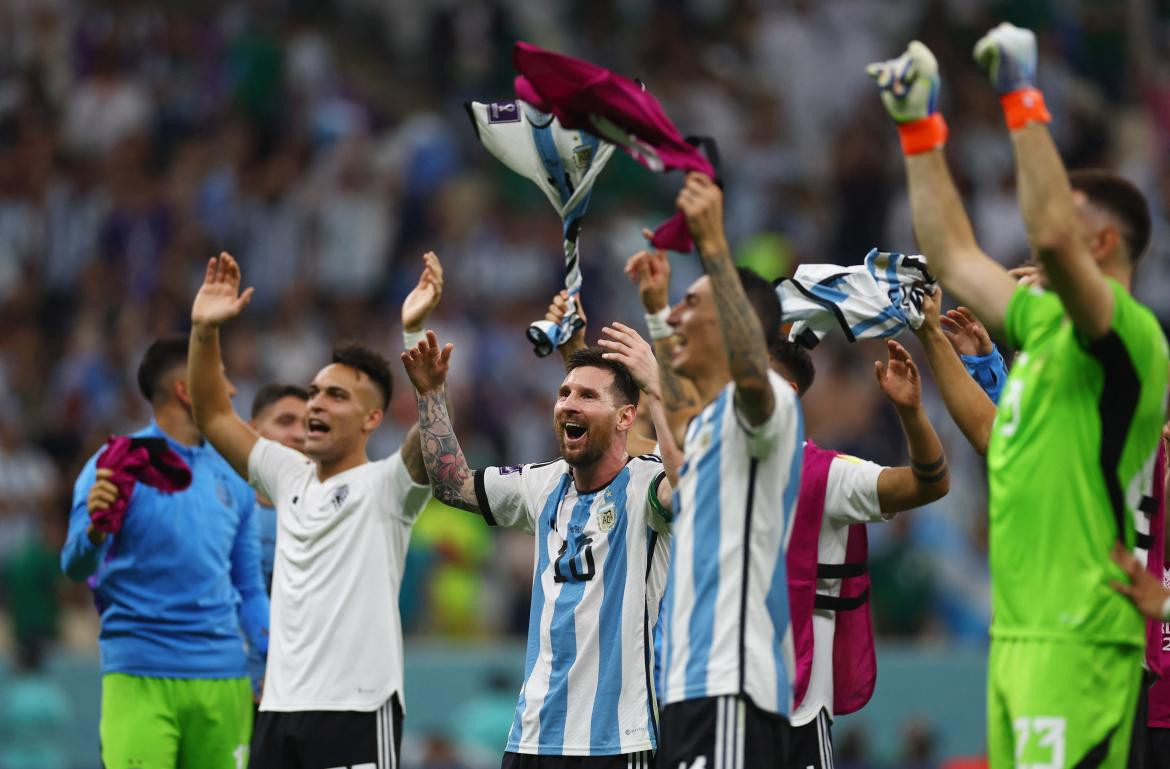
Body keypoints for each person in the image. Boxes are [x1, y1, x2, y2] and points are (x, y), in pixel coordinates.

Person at [869, 23, 1169, 768]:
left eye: (1057, 228)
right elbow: (953, 254)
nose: (1031, 258)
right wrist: (918, 130)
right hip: (1020, 637)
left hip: (1083, 639)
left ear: (1098, 245)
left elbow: (1054, 240)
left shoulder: (1129, 345)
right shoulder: (1043, 342)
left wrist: (1022, 95)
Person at [619, 243, 950, 768]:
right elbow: (625, 462)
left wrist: (911, 414)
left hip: (780, 693)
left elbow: (929, 484)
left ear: (777, 391)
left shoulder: (826, 473)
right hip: (696, 682)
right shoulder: (702, 447)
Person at [186, 251, 442, 769]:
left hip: (357, 710)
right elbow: (213, 412)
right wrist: (203, 331)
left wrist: (415, 339)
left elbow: (432, 444)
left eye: (337, 396)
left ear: (372, 417)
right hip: (279, 711)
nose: (316, 404)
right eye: (314, 392)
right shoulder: (288, 476)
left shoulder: (388, 485)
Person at [401, 329, 671, 767]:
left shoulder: (648, 485)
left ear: (625, 417)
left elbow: (693, 487)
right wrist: (431, 393)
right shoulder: (541, 483)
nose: (567, 402)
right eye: (564, 392)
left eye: (586, 395)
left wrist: (657, 388)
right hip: (532, 740)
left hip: (617, 741)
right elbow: (453, 485)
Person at [646, 172, 804, 767]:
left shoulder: (770, 405)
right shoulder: (713, 427)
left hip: (731, 683)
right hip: (689, 690)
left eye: (693, 304)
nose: (679, 317)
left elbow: (748, 374)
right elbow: (684, 415)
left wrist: (714, 243)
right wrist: (655, 313)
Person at [61, 334, 267, 768]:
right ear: (186, 390)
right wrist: (97, 532)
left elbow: (249, 588)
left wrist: (273, 658)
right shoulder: (116, 463)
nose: (231, 390)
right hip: (138, 673)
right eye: (221, 378)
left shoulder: (235, 473)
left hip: (223, 678)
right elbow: (75, 565)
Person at [244, 383, 309, 701]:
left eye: (308, 425)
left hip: (305, 693)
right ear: (252, 430)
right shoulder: (224, 510)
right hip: (234, 692)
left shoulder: (328, 514)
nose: (299, 434)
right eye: (285, 422)